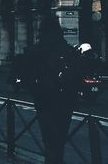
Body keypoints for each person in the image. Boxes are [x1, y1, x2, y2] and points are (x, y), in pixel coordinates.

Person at [20, 19, 81, 164]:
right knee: (60, 136)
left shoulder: (33, 51)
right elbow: (77, 76)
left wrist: (36, 90)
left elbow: (25, 77)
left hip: (43, 99)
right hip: (66, 101)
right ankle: (57, 159)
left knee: (48, 136)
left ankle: (51, 160)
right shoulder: (69, 51)